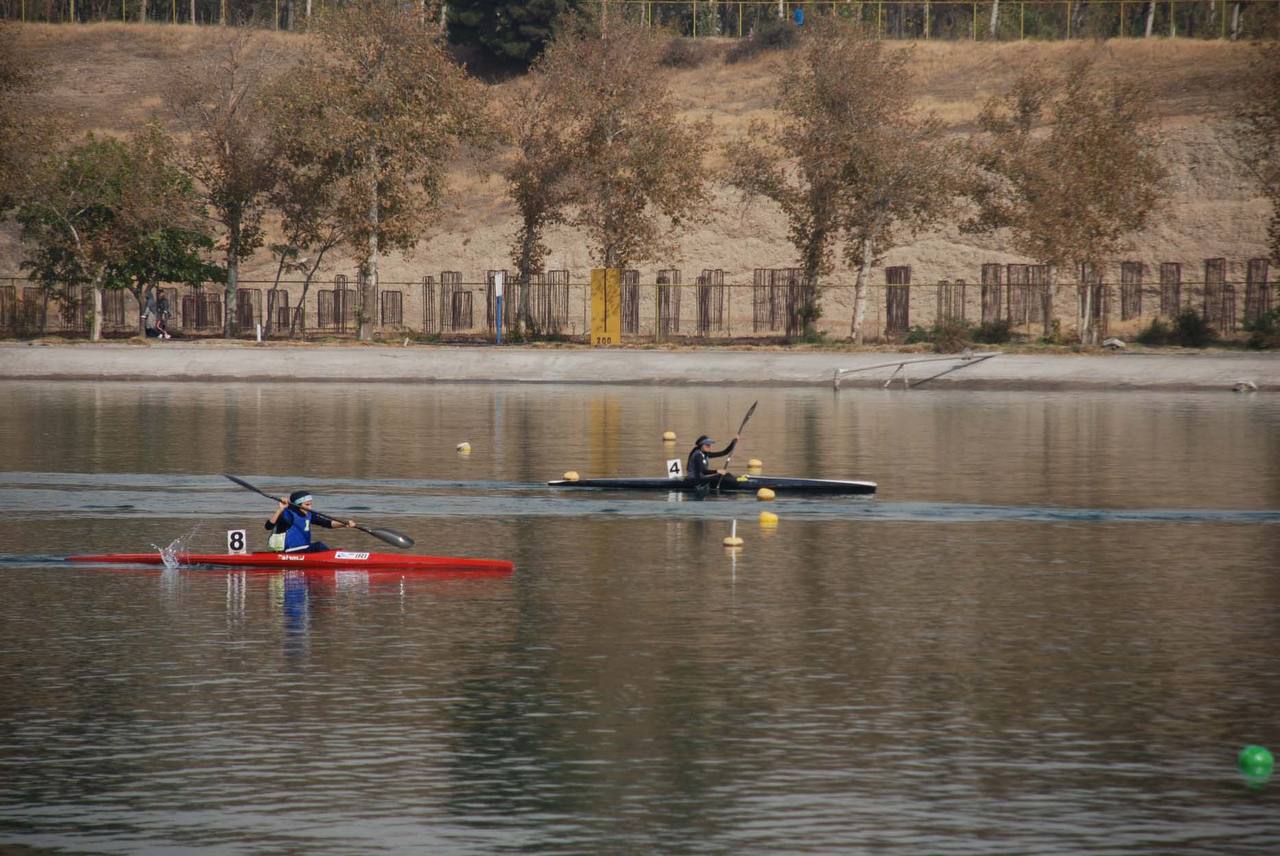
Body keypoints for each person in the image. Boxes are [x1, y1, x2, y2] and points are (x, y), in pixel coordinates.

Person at [264, 490, 356, 553]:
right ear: (298, 505)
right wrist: (280, 509)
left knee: (319, 547)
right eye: (307, 505)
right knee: (318, 546)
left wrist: (344, 524)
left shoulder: (309, 514)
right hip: (287, 550)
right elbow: (268, 526)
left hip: (302, 550)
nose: (310, 508)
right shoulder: (288, 514)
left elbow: (328, 523)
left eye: (310, 504)